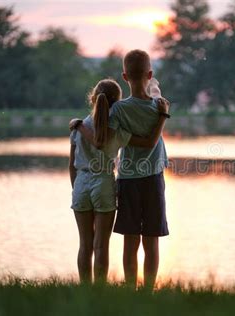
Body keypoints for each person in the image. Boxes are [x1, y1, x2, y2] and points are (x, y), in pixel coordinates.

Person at [74, 50, 170, 289]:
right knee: (152, 242)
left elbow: (104, 138)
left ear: (124, 77)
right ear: (150, 73)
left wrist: (78, 126)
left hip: (127, 179)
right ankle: (147, 291)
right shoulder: (159, 107)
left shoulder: (118, 110)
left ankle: (128, 288)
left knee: (131, 240)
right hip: (153, 180)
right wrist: (162, 113)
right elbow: (154, 88)